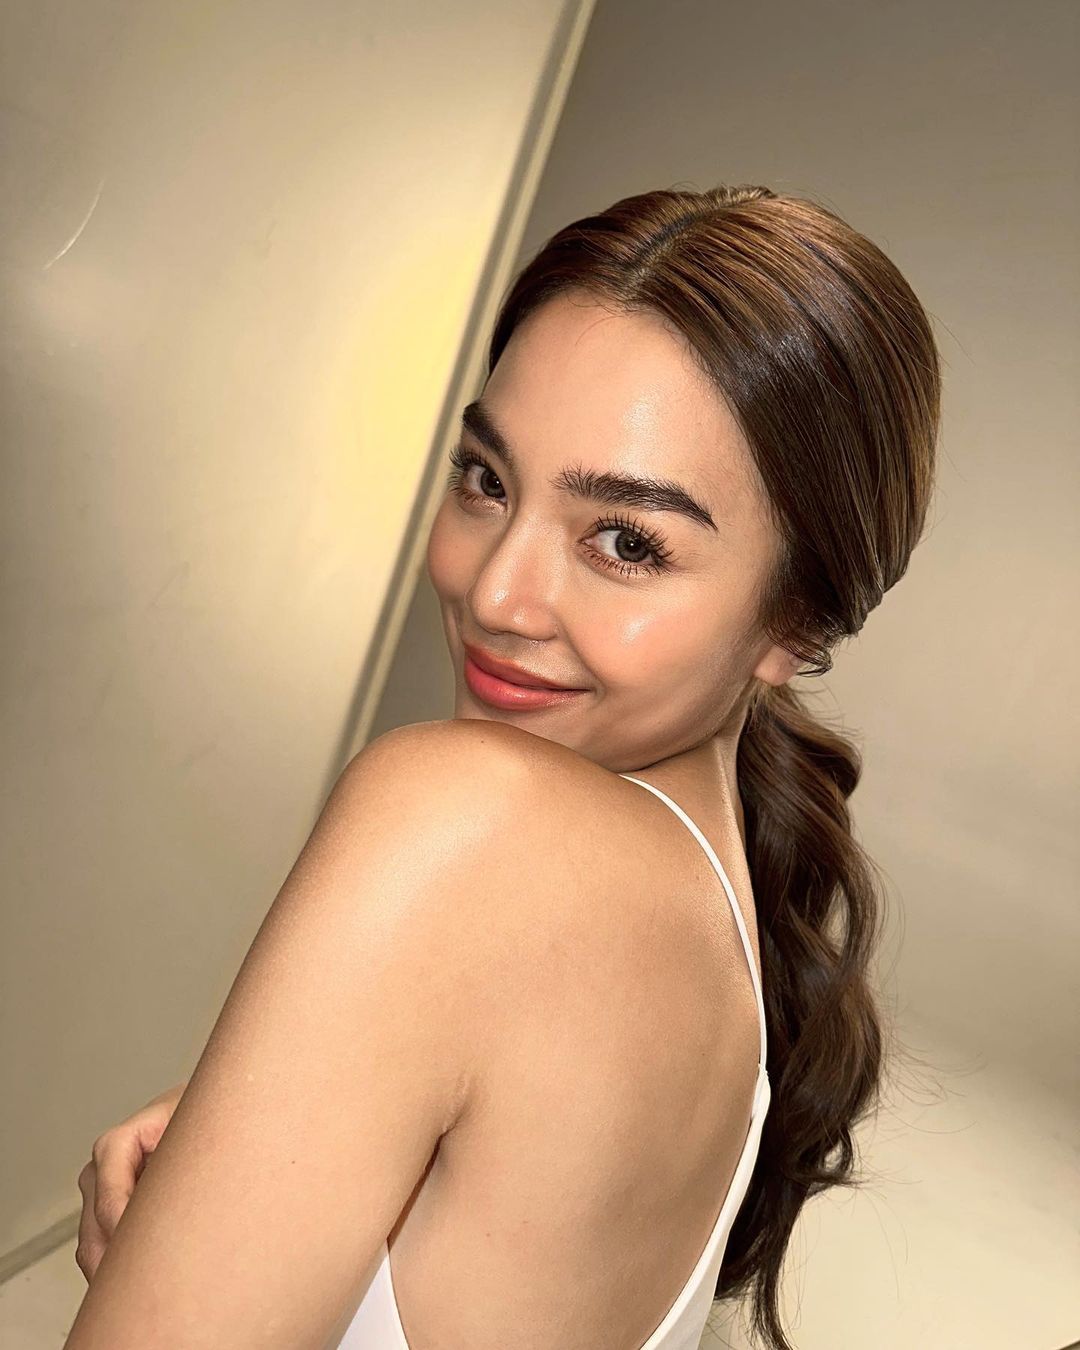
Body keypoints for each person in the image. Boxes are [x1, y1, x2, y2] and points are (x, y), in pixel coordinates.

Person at [68, 183, 940, 1350]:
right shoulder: (724, 959)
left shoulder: (461, 820)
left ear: (797, 621)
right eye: (487, 479)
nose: (494, 593)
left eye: (625, 541)